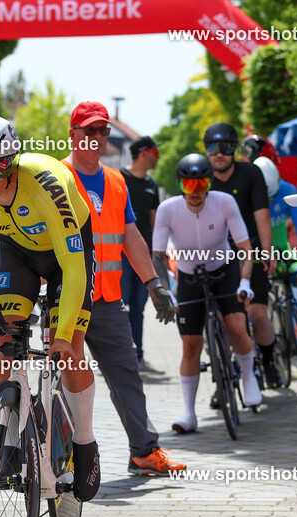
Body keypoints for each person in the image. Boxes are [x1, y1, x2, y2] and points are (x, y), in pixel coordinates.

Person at [0, 114, 100, 501]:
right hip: (16, 253)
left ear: (12, 159)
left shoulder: (45, 181)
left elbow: (75, 266)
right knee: (5, 339)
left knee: (71, 350)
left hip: (68, 256)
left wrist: (59, 337)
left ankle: (85, 440)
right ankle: (11, 433)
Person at [60, 102, 182, 476]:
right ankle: (64, 456)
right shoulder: (55, 177)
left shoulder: (116, 181)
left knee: (126, 372)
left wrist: (154, 282)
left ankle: (144, 451)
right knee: (68, 374)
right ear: (73, 134)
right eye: (88, 131)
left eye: (102, 132)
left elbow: (131, 236)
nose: (96, 138)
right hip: (65, 300)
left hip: (107, 299)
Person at [152, 154, 261, 433]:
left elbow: (247, 250)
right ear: (180, 185)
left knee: (237, 327)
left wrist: (246, 282)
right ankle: (189, 413)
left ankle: (249, 376)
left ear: (210, 183)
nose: (196, 192)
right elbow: (158, 256)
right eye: (189, 185)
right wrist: (166, 290)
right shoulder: (168, 209)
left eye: (202, 184)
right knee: (190, 345)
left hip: (225, 272)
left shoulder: (224, 202)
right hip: (189, 277)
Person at [205, 122, 279, 390]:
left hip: (250, 252)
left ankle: (269, 362)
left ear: (234, 149)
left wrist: (267, 251)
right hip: (215, 256)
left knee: (258, 314)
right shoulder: (201, 175)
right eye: (212, 147)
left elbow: (262, 216)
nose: (219, 153)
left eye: (225, 147)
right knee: (221, 322)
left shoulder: (251, 174)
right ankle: (223, 381)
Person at [254, 157, 297, 336]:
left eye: (271, 198)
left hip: (284, 254)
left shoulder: (288, 190)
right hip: (257, 257)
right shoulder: (247, 193)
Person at [120, 135, 165, 374]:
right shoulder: (118, 179)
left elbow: (154, 223)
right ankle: (118, 357)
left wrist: (158, 256)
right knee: (120, 307)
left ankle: (137, 357)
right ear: (145, 153)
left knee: (138, 308)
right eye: (155, 152)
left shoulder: (151, 184)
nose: (158, 157)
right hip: (121, 255)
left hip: (144, 256)